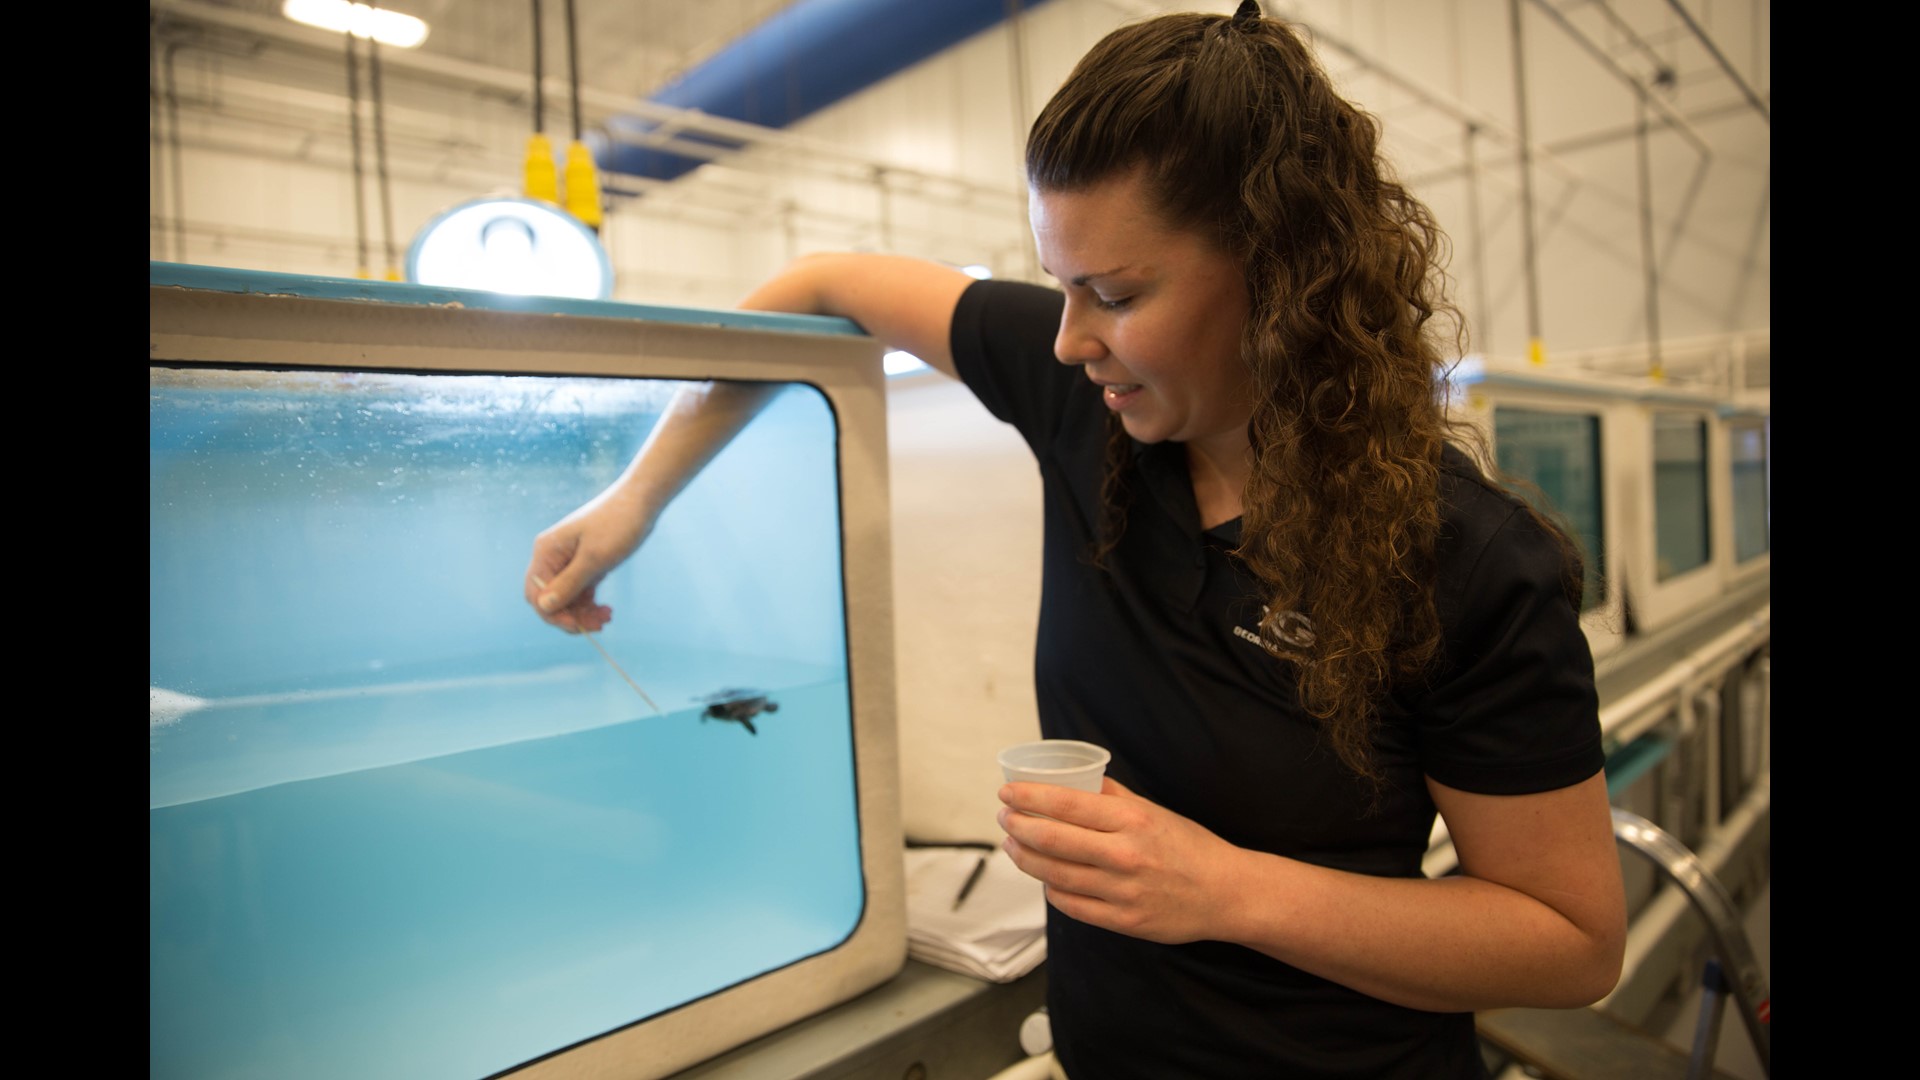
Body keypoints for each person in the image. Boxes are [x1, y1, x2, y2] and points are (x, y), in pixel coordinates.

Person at [525, 3, 1627, 1076]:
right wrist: (634, 504)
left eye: (1115, 293)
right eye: (1061, 287)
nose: (1067, 339)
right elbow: (823, 286)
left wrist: (1227, 890)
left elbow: (1570, 941)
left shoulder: (1464, 559)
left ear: (1282, 277)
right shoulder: (1089, 418)